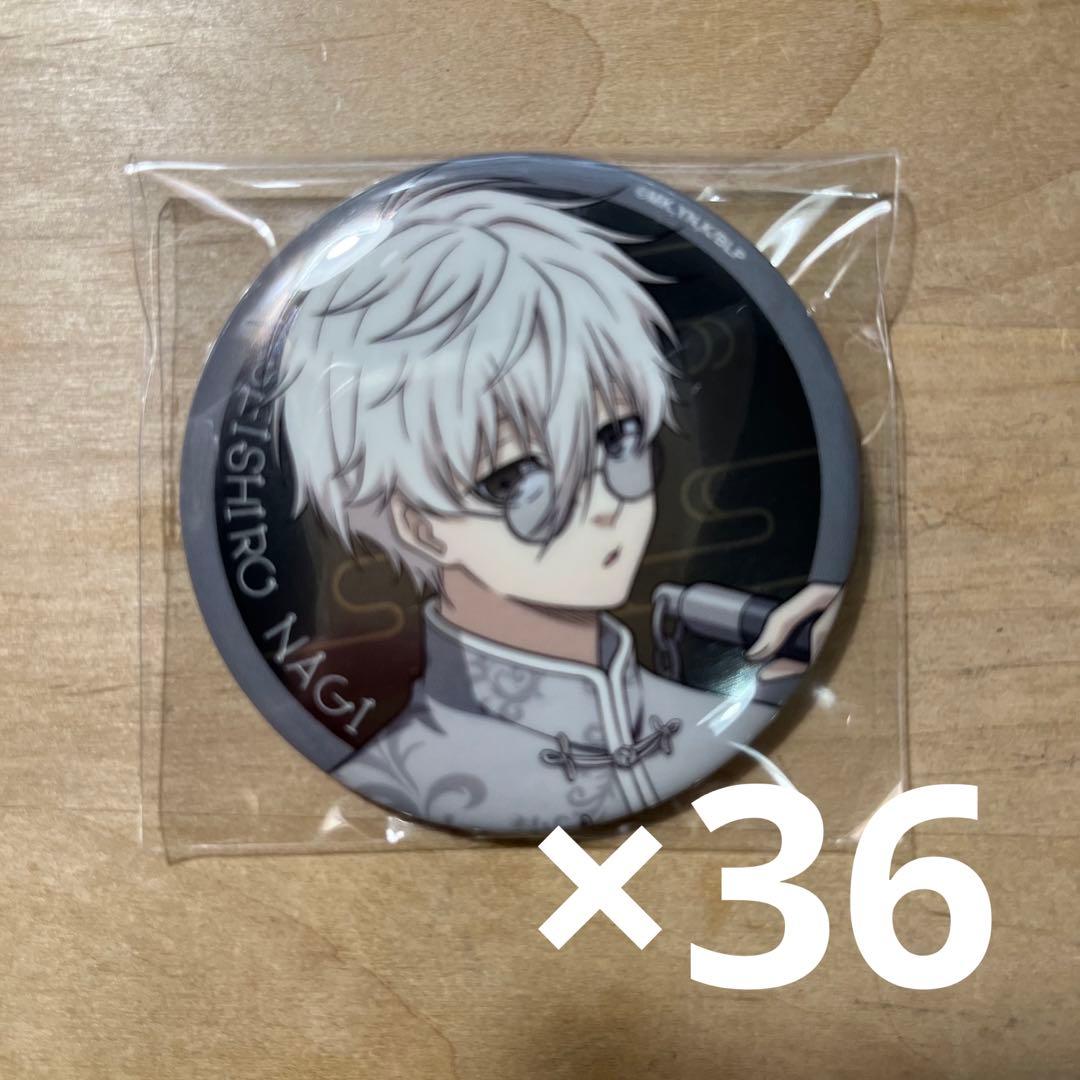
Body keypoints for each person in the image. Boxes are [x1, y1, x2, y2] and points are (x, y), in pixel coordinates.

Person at [275, 179, 840, 832]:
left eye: (618, 439)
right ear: (421, 527)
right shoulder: (400, 776)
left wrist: (778, 683)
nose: (602, 503)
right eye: (517, 478)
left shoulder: (713, 721)